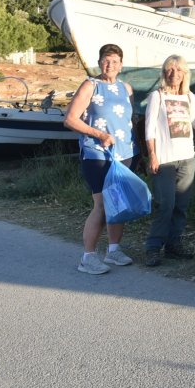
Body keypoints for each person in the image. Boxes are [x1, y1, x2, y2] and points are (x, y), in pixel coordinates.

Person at [64, 43, 136, 275]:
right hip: (97, 154)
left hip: (124, 154)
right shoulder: (90, 85)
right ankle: (88, 257)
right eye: (106, 60)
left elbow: (128, 120)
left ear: (121, 65)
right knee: (102, 205)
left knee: (118, 203)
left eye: (115, 61)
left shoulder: (126, 88)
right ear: (99, 62)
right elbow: (71, 120)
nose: (110, 65)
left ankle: (113, 250)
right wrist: (100, 134)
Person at [143, 55, 195, 267]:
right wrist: (152, 155)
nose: (174, 74)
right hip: (165, 160)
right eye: (170, 70)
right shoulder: (157, 96)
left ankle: (173, 245)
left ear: (184, 74)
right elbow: (149, 128)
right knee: (165, 205)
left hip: (187, 159)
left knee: (181, 206)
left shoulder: (189, 97)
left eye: (179, 70)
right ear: (164, 73)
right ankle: (153, 247)